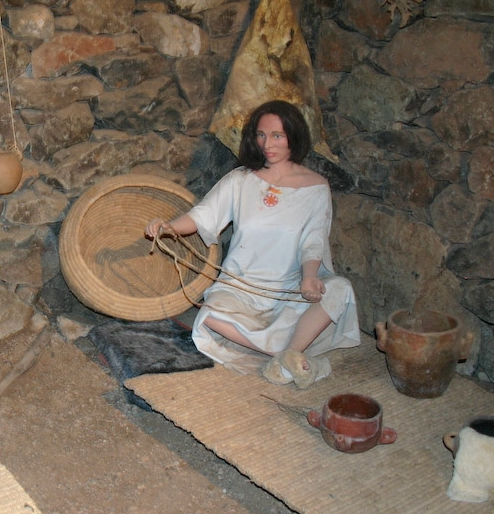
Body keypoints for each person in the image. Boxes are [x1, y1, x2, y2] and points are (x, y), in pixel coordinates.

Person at [144, 100, 359, 388]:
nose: (267, 144)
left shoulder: (316, 187)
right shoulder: (240, 180)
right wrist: (169, 227)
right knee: (209, 315)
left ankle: (288, 352)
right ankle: (286, 354)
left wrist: (309, 277)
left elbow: (314, 239)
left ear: (294, 136)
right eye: (261, 135)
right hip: (240, 288)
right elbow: (203, 215)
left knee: (339, 290)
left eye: (277, 135)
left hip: (289, 288)